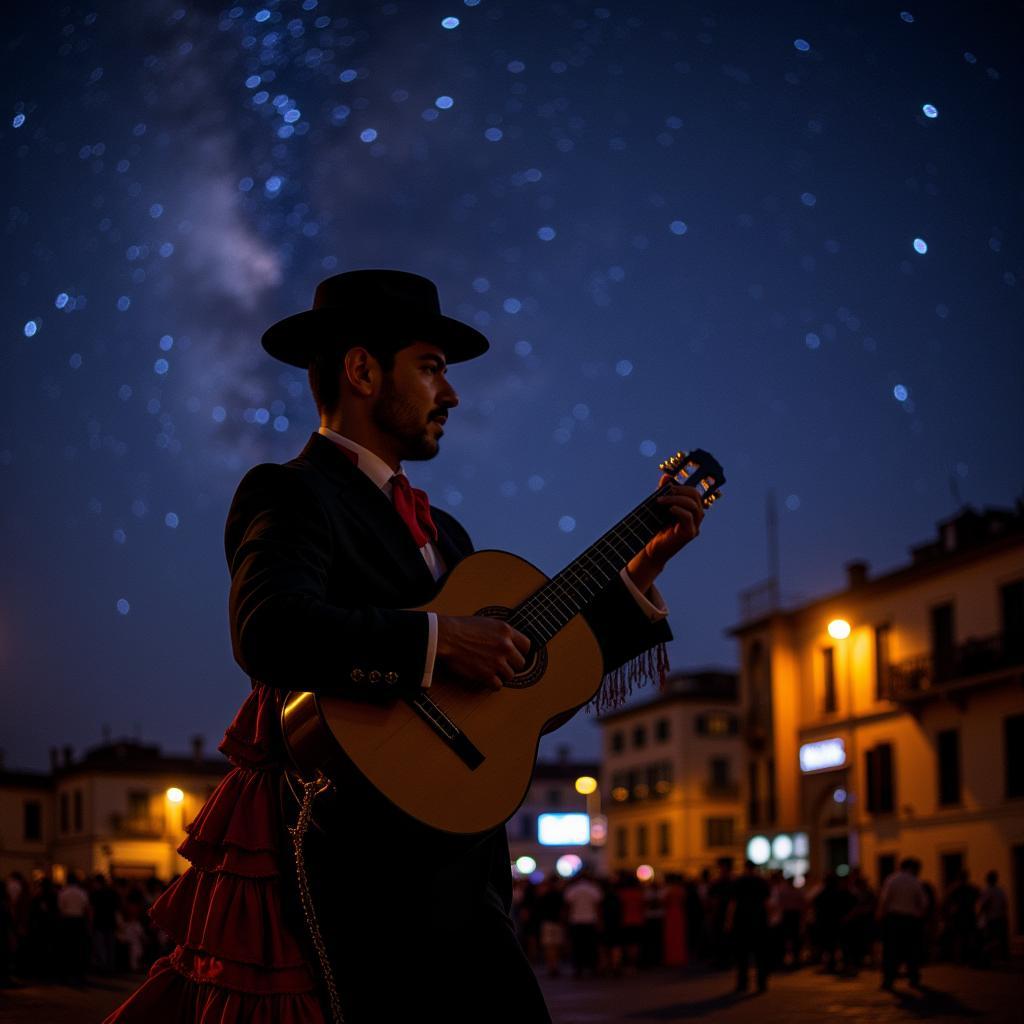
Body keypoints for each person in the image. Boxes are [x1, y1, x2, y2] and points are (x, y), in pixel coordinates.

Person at [104, 269, 706, 1023]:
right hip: (367, 863)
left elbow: (523, 678)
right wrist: (437, 639)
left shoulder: (447, 534)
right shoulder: (290, 492)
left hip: (470, 864)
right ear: (362, 370)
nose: (450, 394)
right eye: (431, 367)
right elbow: (269, 628)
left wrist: (637, 574)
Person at [877, 857, 928, 990]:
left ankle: (888, 980)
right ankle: (913, 978)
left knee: (891, 951)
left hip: (894, 919)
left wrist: (881, 915)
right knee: (911, 950)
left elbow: (885, 899)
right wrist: (918, 916)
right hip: (910, 920)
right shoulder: (915, 881)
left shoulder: (892, 879)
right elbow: (923, 903)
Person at [726, 860, 771, 993]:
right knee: (760, 955)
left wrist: (729, 922)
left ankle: (742, 983)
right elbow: (767, 902)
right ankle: (761, 984)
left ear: (745, 868)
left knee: (742, 955)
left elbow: (732, 903)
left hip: (742, 921)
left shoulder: (739, 882)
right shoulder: (762, 882)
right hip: (759, 920)